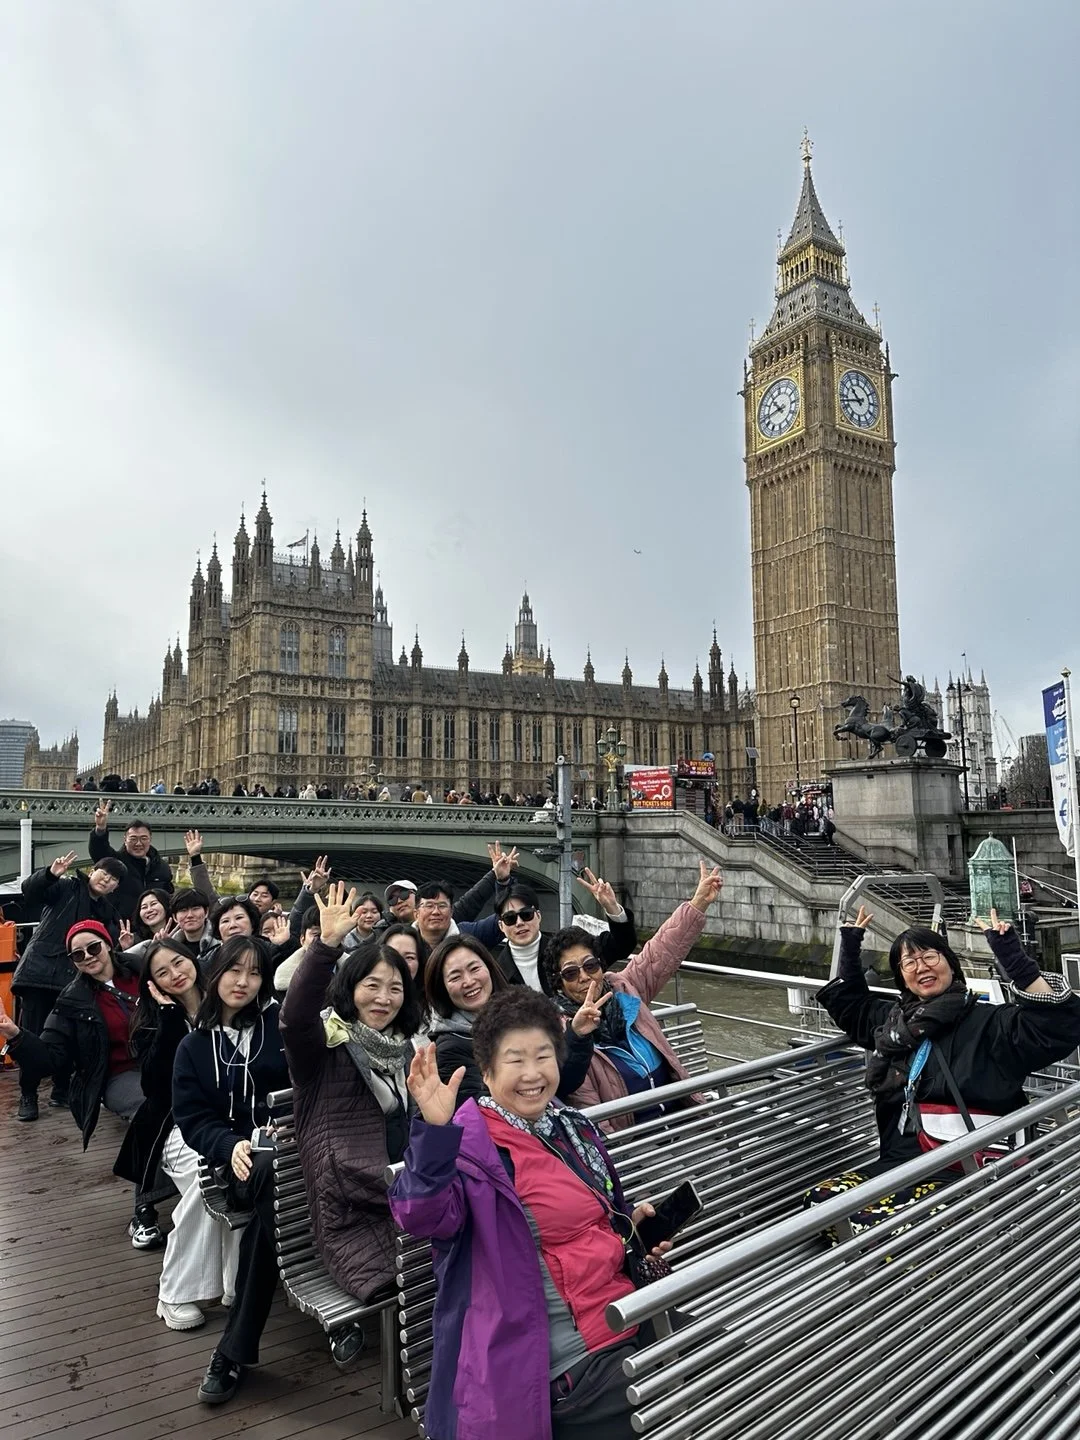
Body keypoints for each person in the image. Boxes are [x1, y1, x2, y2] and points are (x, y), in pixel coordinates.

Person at [389, 988, 674, 1440]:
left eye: (543, 1056)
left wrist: (631, 1229)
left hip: (628, 1311)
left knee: (732, 1367)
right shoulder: (471, 1148)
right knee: (686, 1402)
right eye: (514, 1060)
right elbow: (420, 1216)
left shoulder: (570, 1127)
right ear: (487, 1070)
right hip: (566, 1358)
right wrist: (434, 1134)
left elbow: (597, 1221)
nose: (532, 1074)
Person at [805, 905, 1080, 1235]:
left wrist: (1015, 961)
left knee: (887, 1227)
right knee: (820, 1202)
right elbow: (851, 1007)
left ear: (950, 962)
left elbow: (1057, 1026)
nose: (921, 967)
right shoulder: (894, 1023)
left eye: (930, 957)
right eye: (909, 962)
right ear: (901, 975)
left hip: (972, 1167)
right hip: (904, 1160)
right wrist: (850, 943)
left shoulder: (991, 1022)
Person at [280, 883, 424, 1361]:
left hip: (402, 1185)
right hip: (354, 1199)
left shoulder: (406, 1049)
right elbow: (293, 1018)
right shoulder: (324, 1044)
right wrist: (324, 948)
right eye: (372, 986)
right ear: (350, 988)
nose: (384, 998)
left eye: (395, 988)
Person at [172, 936, 290, 1405]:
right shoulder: (193, 1048)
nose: (243, 982)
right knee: (265, 1173)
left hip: (293, 1157)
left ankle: (234, 1350)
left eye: (255, 972)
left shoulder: (277, 1027)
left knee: (270, 1207)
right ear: (214, 973)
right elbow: (194, 1119)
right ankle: (324, 1275)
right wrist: (230, 1144)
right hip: (237, 1168)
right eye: (234, 970)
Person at [0, 919, 164, 1247]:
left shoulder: (141, 969)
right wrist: (15, 1034)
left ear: (108, 944)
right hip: (118, 1075)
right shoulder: (73, 999)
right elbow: (50, 1058)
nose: (88, 956)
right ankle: (144, 1206)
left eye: (93, 947)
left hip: (165, 1061)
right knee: (151, 1112)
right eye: (78, 954)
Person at [114, 938, 241, 1327]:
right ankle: (174, 1293)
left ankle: (233, 1283)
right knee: (211, 1184)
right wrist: (170, 1021)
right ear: (152, 984)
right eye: (162, 972)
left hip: (231, 1120)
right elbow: (153, 1087)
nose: (175, 974)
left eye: (178, 963)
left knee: (242, 1180)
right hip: (177, 1127)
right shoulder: (152, 1024)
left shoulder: (228, 1005)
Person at [545, 864, 724, 1128]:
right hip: (634, 1144)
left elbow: (661, 952)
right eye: (571, 973)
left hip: (681, 1118)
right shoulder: (561, 1032)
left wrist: (698, 903)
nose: (584, 977)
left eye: (590, 965)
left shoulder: (624, 988)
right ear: (559, 983)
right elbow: (587, 1107)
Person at [10, 851, 125, 1122]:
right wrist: (50, 873)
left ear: (116, 887)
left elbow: (109, 946)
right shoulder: (66, 887)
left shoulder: (106, 910)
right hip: (40, 973)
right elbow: (31, 892)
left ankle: (61, 1087)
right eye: (104, 873)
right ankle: (28, 1094)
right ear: (94, 870)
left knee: (72, 1033)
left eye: (113, 880)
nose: (106, 881)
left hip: (75, 978)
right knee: (32, 1034)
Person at [424, 935, 596, 1109]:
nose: (469, 981)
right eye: (455, 977)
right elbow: (480, 1111)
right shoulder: (450, 1048)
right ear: (441, 988)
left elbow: (562, 1084)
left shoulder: (521, 1016)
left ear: (489, 968)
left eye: (474, 969)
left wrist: (576, 1034)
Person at [490, 871, 636, 992]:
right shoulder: (495, 972)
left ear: (538, 916)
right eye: (510, 919)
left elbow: (622, 946)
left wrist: (612, 907)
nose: (520, 923)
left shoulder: (565, 948)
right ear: (501, 926)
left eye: (526, 914)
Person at [88, 800, 174, 921]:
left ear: (150, 839)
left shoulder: (162, 867)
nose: (138, 843)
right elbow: (99, 850)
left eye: (143, 838)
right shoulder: (116, 863)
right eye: (133, 839)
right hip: (120, 927)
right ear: (125, 839)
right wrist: (101, 828)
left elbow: (169, 897)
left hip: (152, 928)